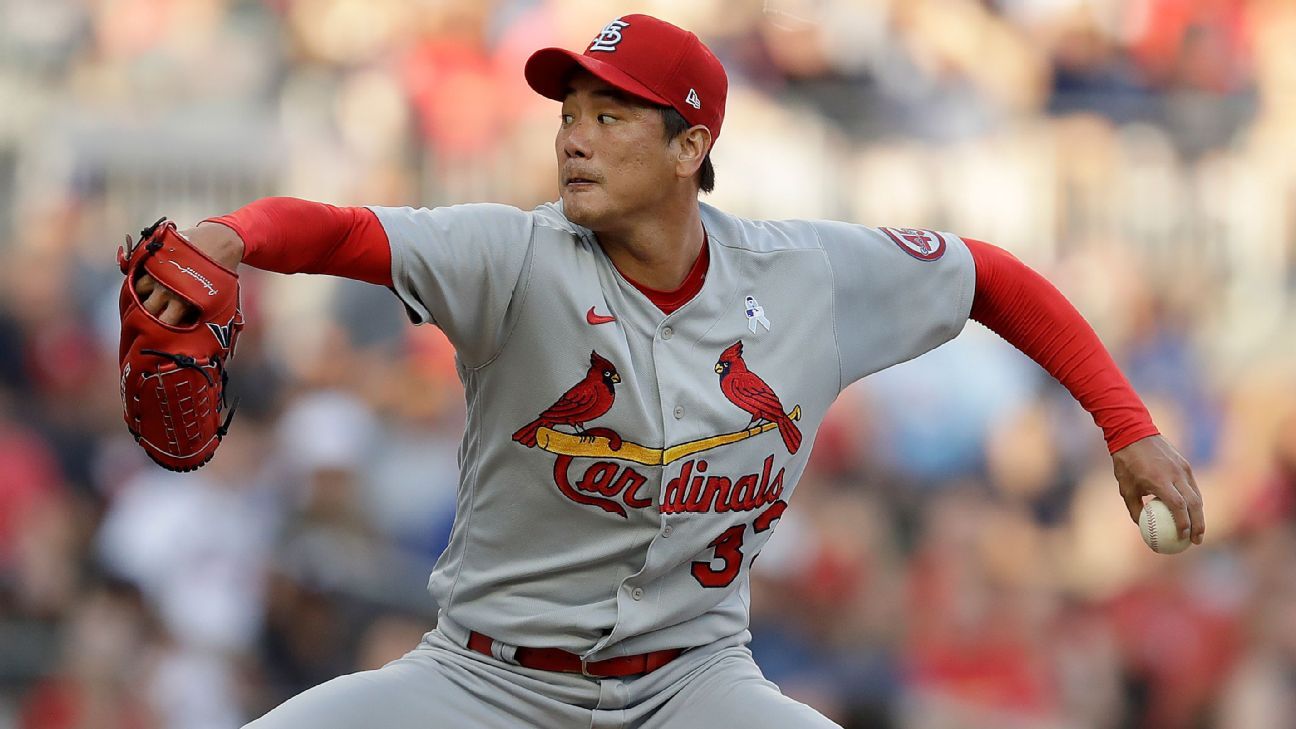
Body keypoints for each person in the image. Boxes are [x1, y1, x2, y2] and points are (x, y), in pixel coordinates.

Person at [129, 14, 1204, 729]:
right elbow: (340, 231)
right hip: (485, 680)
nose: (575, 142)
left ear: (690, 148)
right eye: (568, 117)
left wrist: (1127, 426)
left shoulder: (802, 277)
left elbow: (992, 276)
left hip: (693, 686)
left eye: (610, 117)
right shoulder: (510, 257)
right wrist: (231, 234)